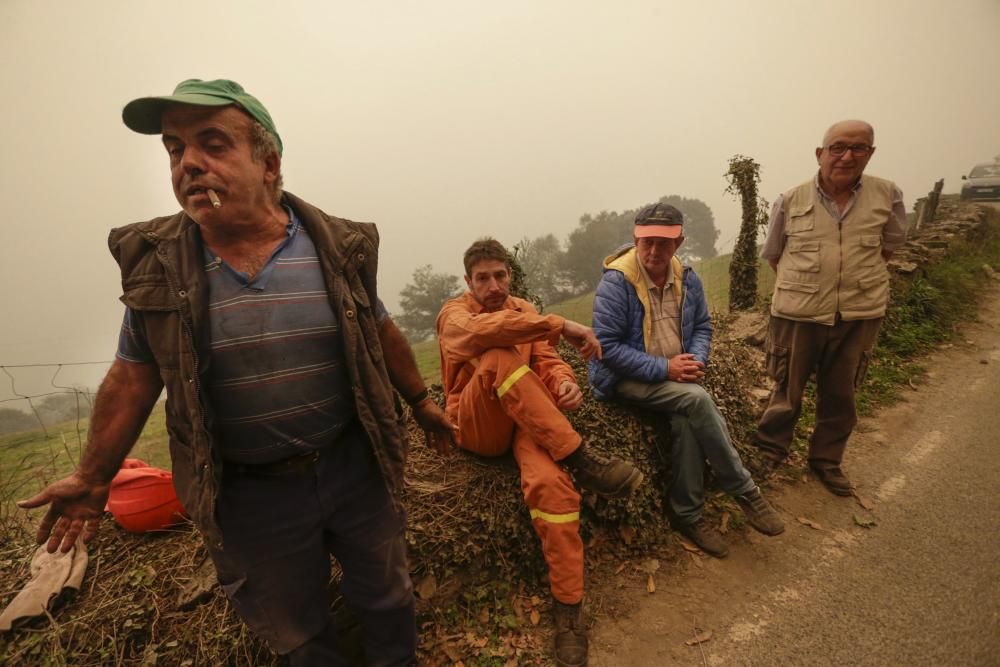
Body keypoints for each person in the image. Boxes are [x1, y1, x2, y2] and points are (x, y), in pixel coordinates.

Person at [17, 78, 458, 666]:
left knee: (386, 597)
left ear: (269, 161)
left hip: (354, 466)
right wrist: (94, 478)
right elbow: (133, 374)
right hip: (249, 494)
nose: (189, 164)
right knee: (295, 630)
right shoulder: (160, 265)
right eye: (175, 149)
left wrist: (421, 403)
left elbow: (379, 331)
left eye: (213, 144)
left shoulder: (335, 247)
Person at [436, 238, 643, 667]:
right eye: (482, 278)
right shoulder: (453, 315)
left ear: (509, 274)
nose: (493, 285)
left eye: (500, 275)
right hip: (480, 426)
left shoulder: (525, 310)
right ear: (468, 281)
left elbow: (547, 361)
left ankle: (569, 612)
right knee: (495, 355)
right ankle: (581, 458)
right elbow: (484, 333)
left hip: (529, 417)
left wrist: (564, 381)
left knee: (554, 491)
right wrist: (561, 324)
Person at [588, 203, 784, 558]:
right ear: (635, 239)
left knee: (686, 418)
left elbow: (703, 327)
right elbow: (607, 349)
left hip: (676, 378)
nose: (653, 251)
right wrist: (666, 370)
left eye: (663, 243)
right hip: (622, 378)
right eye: (646, 242)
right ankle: (744, 490)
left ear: (679, 242)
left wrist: (695, 361)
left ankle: (686, 514)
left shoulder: (687, 277)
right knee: (695, 400)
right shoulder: (616, 283)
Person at [754, 120, 908, 496]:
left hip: (859, 312)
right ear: (820, 154)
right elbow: (774, 256)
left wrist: (847, 282)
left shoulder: (888, 195)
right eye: (838, 147)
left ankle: (826, 460)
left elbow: (889, 247)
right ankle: (771, 451)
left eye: (858, 148)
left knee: (841, 393)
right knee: (786, 388)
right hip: (798, 312)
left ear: (870, 154)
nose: (847, 156)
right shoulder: (790, 199)